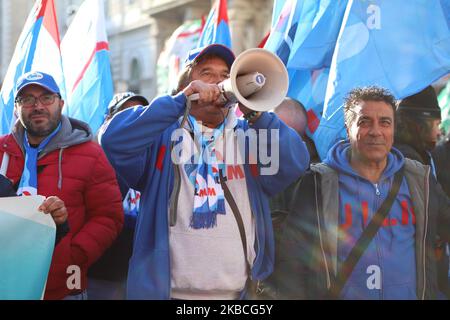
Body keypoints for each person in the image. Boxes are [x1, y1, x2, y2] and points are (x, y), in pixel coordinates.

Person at [99, 43, 310, 300]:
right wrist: (178, 103)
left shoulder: (248, 138)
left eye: (226, 75)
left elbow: (296, 161)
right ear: (187, 84)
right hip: (167, 294)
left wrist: (258, 114)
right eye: (206, 73)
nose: (218, 83)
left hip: (237, 294)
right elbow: (113, 139)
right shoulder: (161, 138)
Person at [267, 86, 450, 299]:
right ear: (348, 128)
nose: (376, 131)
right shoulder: (319, 183)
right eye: (364, 122)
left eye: (385, 122)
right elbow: (294, 259)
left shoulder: (419, 178)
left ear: (394, 129)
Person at [0, 71, 124, 300]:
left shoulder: (91, 154)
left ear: (61, 103)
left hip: (64, 286)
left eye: (46, 98)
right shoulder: (1, 150)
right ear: (16, 108)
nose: (37, 106)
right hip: (6, 281)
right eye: (27, 100)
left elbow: (109, 217)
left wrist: (72, 255)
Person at [88, 92, 149, 300]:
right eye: (125, 114)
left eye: (140, 114)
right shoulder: (94, 163)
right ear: (108, 121)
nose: (133, 120)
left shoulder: (157, 161)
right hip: (103, 275)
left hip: (144, 276)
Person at [395, 85, 448, 298]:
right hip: (414, 274)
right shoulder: (409, 160)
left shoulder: (410, 154)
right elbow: (441, 211)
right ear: (419, 125)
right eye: (436, 124)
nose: (438, 131)